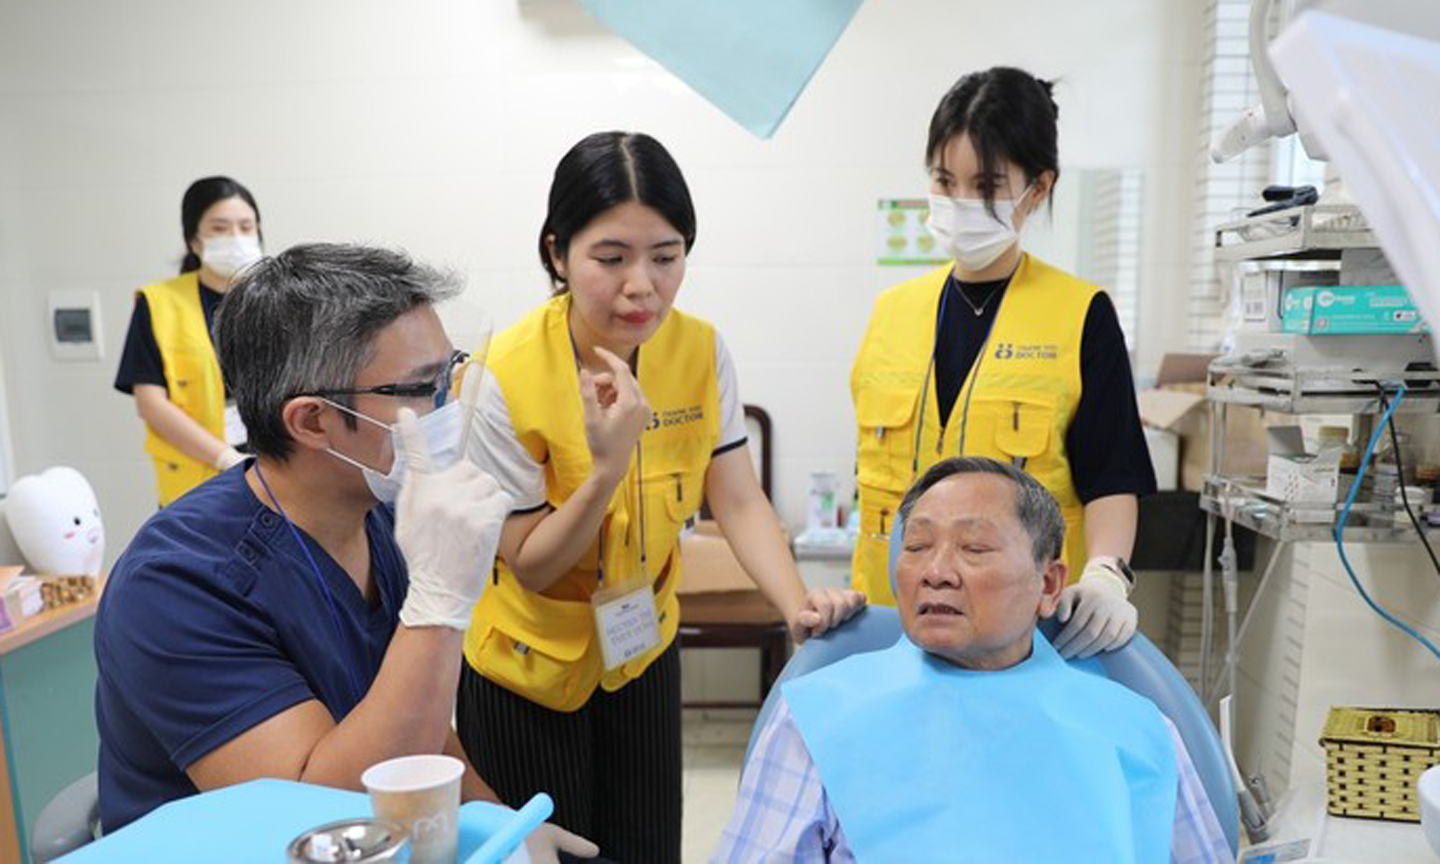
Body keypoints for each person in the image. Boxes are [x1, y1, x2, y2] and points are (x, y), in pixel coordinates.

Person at [94, 243, 596, 861]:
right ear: (311, 421)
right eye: (420, 387)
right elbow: (314, 819)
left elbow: (423, 726)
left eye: (450, 373)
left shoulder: (378, 513)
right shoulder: (177, 583)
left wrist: (497, 823)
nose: (447, 406)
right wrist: (438, 606)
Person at [457, 131, 865, 862]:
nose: (641, 285)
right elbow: (532, 563)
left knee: (648, 852)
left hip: (641, 651)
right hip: (527, 668)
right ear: (558, 253)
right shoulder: (503, 375)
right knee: (548, 855)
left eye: (666, 257)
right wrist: (606, 471)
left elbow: (736, 498)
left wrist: (796, 603)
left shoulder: (701, 351)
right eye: (610, 258)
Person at [714, 457, 1232, 862]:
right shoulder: (819, 716)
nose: (935, 571)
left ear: (1049, 583)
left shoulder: (1139, 729)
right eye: (916, 546)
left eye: (975, 548)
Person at [850, 67, 1157, 659]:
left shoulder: (1079, 314)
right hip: (896, 630)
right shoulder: (891, 314)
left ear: (1037, 188)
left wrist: (1106, 573)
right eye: (945, 180)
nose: (961, 202)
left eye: (987, 186)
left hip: (1024, 636)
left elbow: (1113, 476)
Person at [114, 176, 266, 507]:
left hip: (274, 474)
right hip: (197, 479)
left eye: (246, 227)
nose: (236, 238)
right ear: (193, 240)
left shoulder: (277, 298)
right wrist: (225, 458)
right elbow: (151, 403)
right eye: (219, 228)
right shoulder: (159, 303)